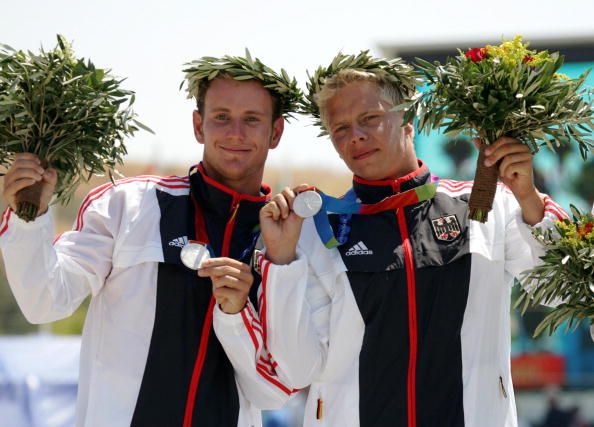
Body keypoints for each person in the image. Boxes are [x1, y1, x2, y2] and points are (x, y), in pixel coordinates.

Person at [255, 52, 569, 427]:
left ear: (408, 118)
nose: (356, 136)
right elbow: (297, 368)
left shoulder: (484, 205)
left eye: (370, 119)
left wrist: (530, 201)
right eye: (341, 128)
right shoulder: (317, 229)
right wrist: (282, 263)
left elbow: (560, 292)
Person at [0, 53, 301, 427]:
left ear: (275, 132)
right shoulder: (126, 204)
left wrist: (237, 312)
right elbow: (45, 302)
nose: (235, 133)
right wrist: (30, 220)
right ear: (198, 125)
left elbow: (275, 390)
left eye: (251, 120)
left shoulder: (288, 238)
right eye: (221, 117)